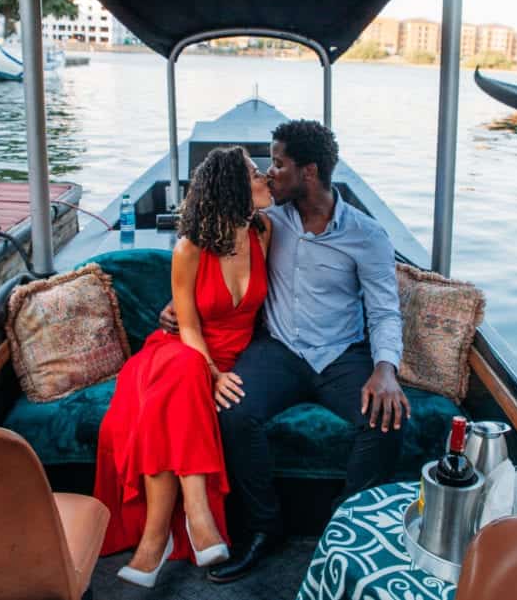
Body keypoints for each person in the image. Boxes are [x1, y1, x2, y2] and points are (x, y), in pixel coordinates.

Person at [204, 119, 410, 584]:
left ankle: (342, 528)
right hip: (277, 349)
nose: (269, 173)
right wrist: (175, 308)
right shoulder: (266, 220)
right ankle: (263, 528)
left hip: (341, 355)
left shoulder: (367, 235)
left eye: (278, 163)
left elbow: (383, 311)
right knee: (233, 412)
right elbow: (210, 251)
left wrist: (385, 369)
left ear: (309, 172)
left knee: (389, 419)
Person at [94, 146, 273, 588]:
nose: (266, 176)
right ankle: (194, 517)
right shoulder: (188, 248)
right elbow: (188, 328)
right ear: (234, 186)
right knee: (186, 368)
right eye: (255, 172)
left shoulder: (264, 231)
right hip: (179, 351)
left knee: (181, 382)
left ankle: (154, 546)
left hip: (224, 357)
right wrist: (213, 373)